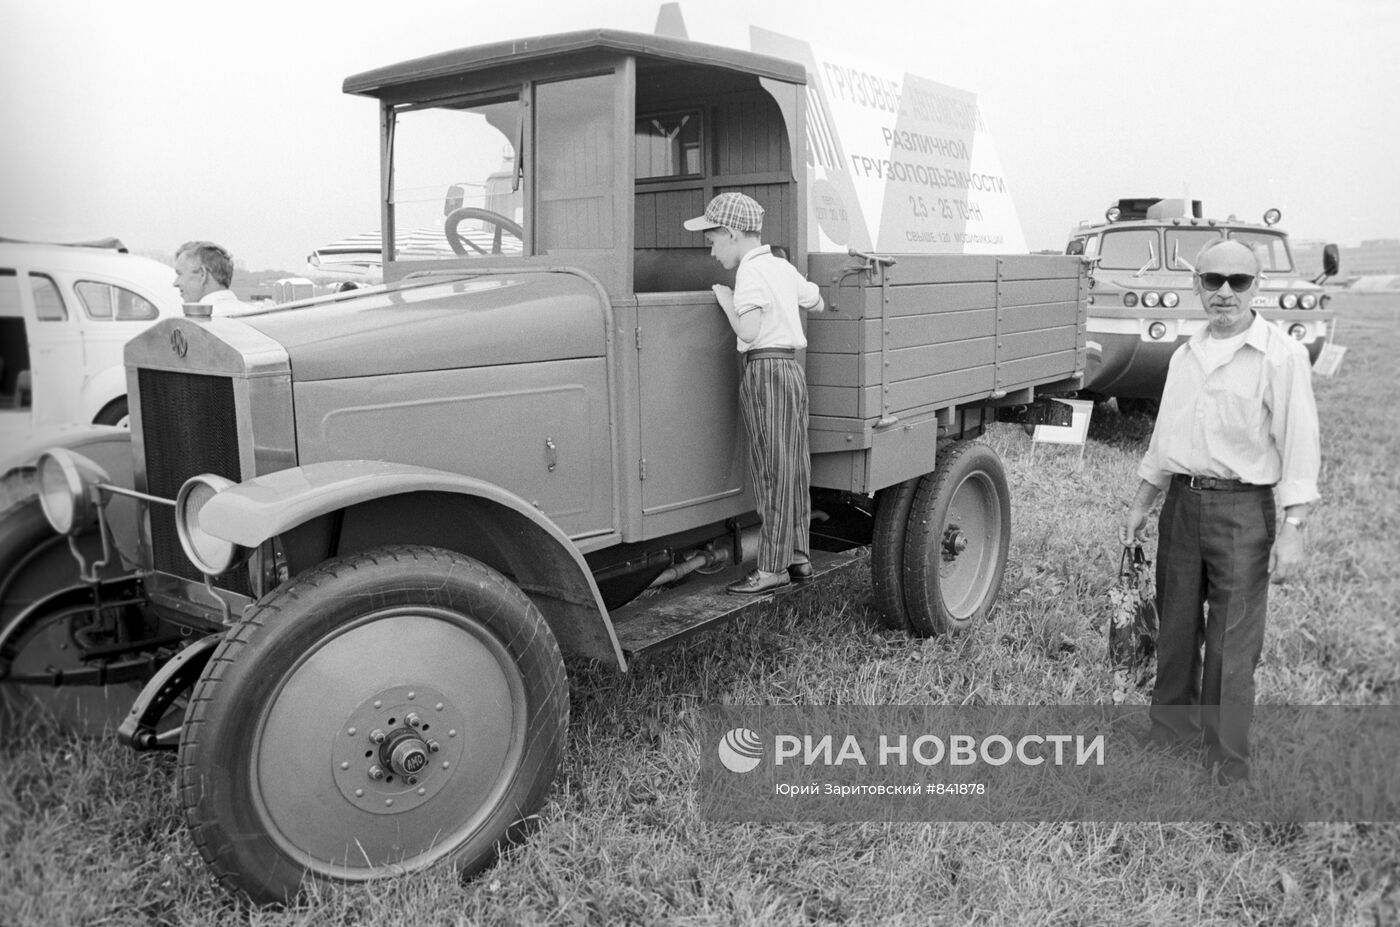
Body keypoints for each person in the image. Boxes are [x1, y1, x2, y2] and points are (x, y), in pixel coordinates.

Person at [1120, 238, 1321, 784]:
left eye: (1239, 281)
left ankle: (1225, 761)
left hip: (1244, 512)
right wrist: (1144, 500)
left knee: (1234, 645)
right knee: (1177, 631)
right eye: (1213, 281)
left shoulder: (1281, 356)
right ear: (1197, 287)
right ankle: (1170, 739)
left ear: (1258, 286)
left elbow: (1300, 445)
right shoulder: (1186, 353)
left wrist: (1295, 527)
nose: (1225, 292)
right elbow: (1167, 436)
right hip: (1182, 506)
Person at [683, 192, 825, 595]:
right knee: (794, 465)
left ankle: (771, 568)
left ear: (731, 233)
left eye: (712, 240)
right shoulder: (780, 266)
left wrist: (727, 301)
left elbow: (748, 331)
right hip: (792, 369)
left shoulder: (748, 274)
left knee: (771, 469)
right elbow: (815, 301)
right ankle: (799, 556)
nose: (712, 252)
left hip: (765, 369)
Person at [173, 241, 256, 316]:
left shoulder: (201, 325)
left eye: (180, 274)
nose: (175, 283)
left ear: (202, 274)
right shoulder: (256, 315)